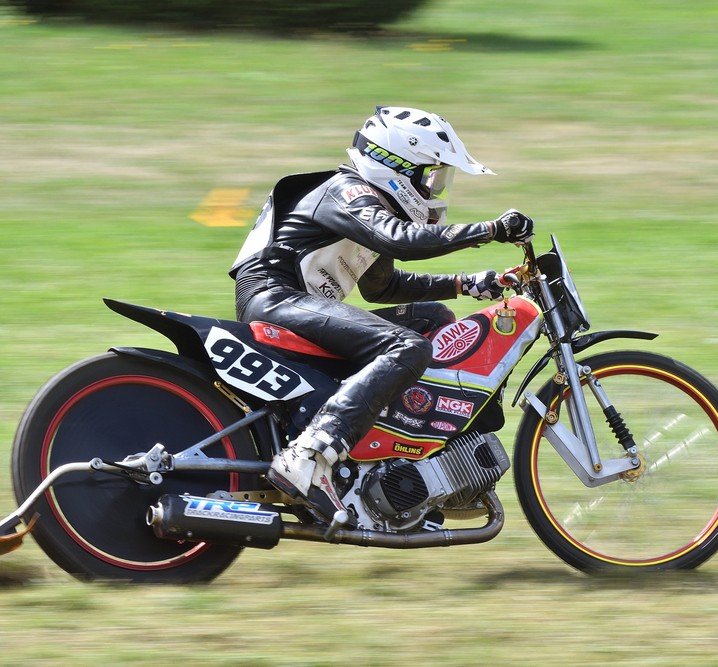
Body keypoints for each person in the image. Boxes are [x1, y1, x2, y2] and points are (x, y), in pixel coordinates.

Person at [229, 106, 534, 521]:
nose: (435, 189)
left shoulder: (370, 206)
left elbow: (382, 287)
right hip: (273, 297)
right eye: (432, 175)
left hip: (295, 303)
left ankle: (422, 459)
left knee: (433, 319)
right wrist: (490, 229)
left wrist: (470, 283)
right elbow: (401, 241)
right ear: (395, 163)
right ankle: (310, 455)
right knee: (406, 345)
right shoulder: (347, 190)